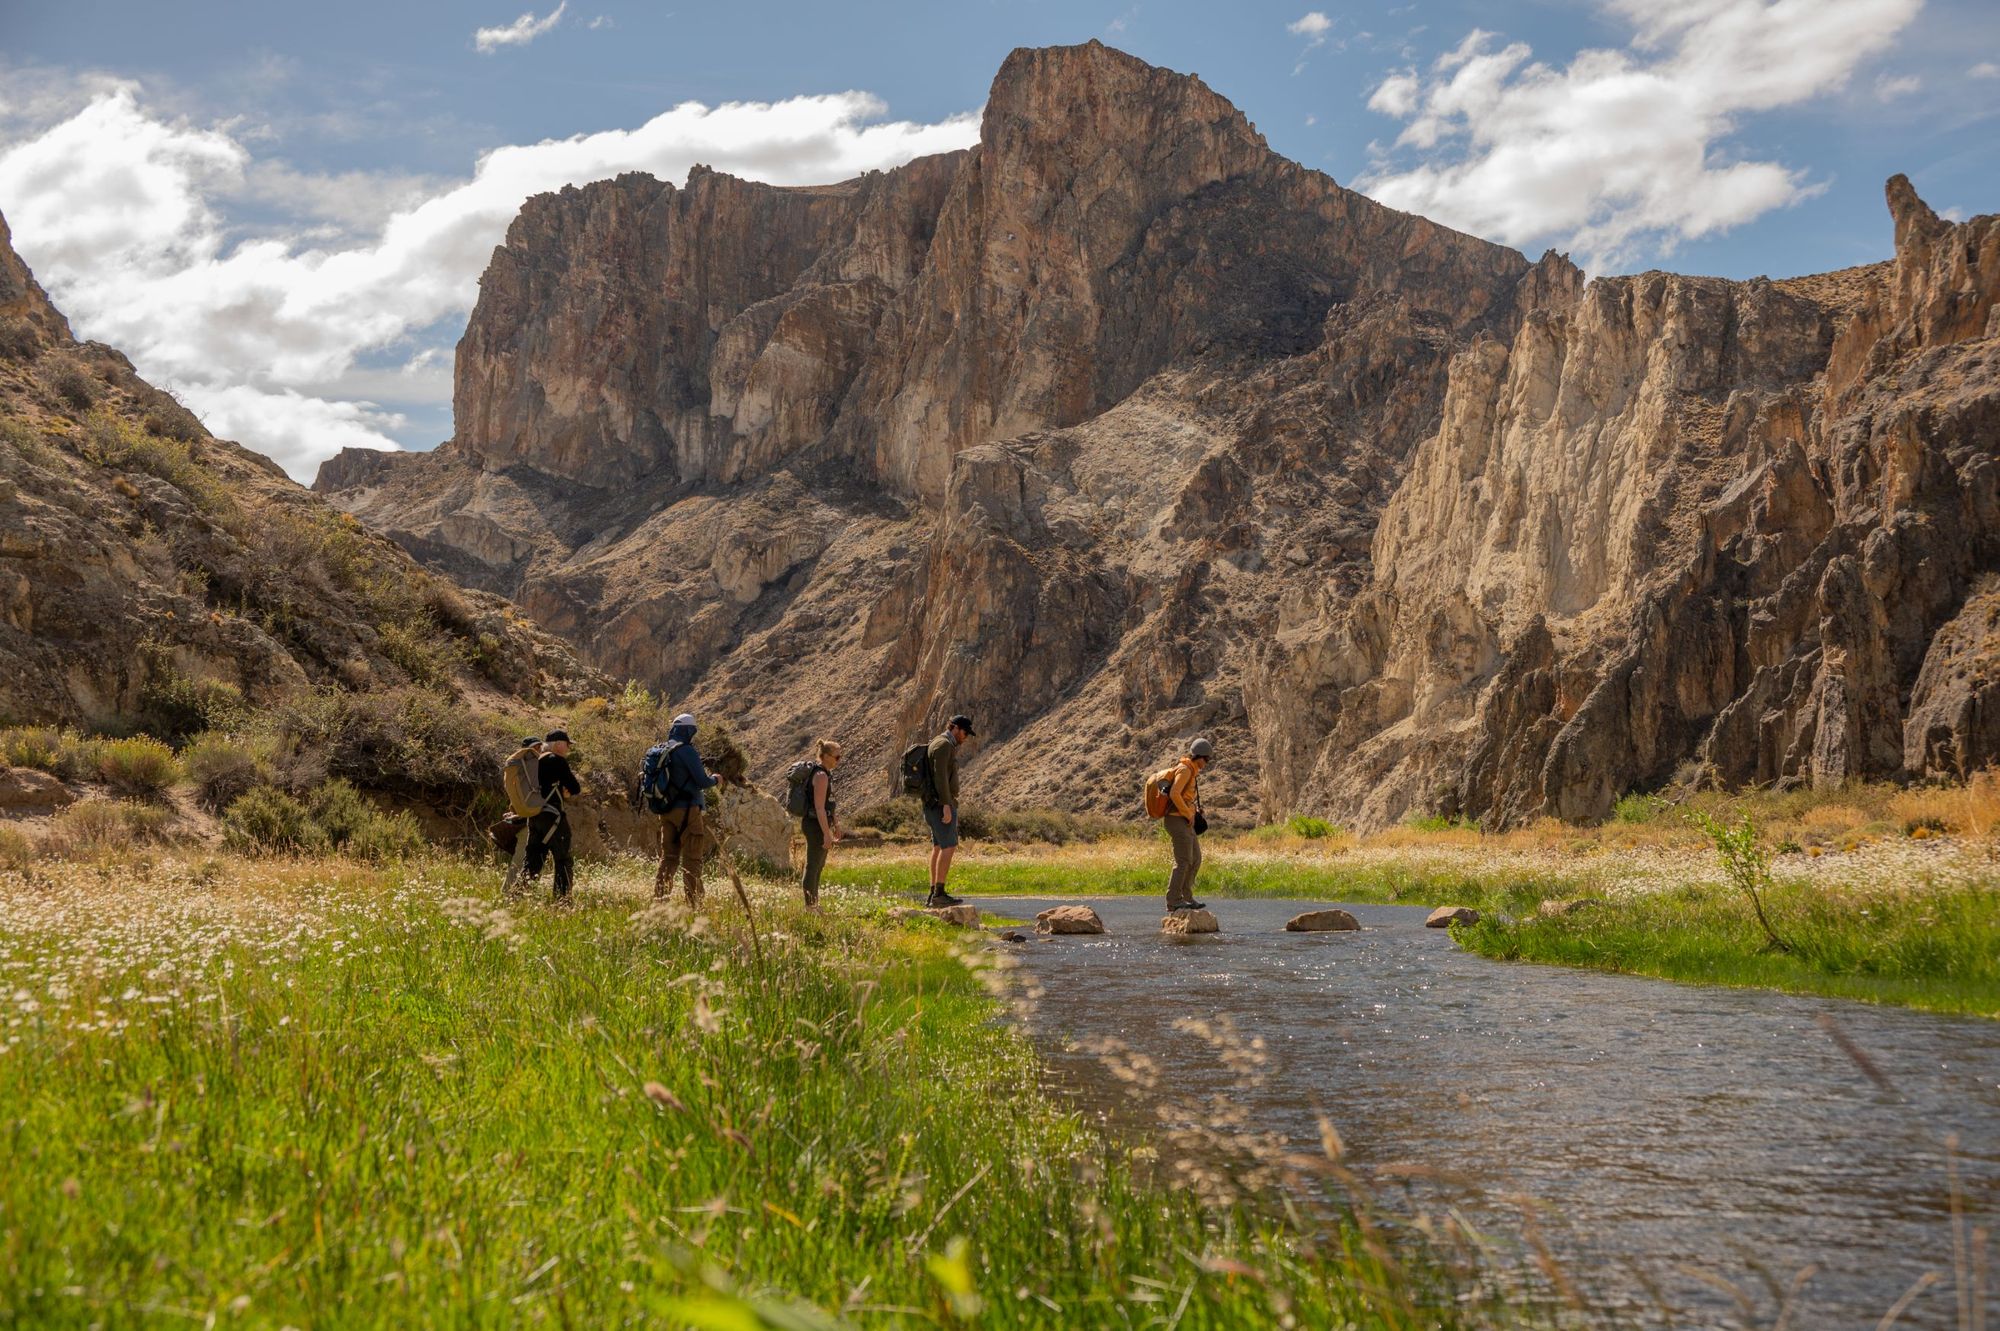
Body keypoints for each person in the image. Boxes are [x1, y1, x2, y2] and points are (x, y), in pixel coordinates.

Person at [654, 712, 719, 905]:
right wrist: (716, 779)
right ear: (689, 731)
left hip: (666, 812)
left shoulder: (662, 749)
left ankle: (659, 901)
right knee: (692, 858)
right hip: (688, 812)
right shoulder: (687, 751)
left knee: (669, 857)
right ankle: (694, 903)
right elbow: (702, 781)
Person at [923, 714, 975, 907]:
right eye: (964, 733)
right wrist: (946, 804)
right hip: (940, 804)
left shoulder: (939, 743)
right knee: (949, 846)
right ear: (955, 728)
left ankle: (933, 893)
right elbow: (940, 778)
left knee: (938, 847)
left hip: (933, 803)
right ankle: (939, 893)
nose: (965, 737)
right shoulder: (944, 745)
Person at [527, 729, 581, 902]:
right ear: (558, 744)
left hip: (535, 815)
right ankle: (562, 901)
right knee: (563, 859)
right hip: (553, 817)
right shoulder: (557, 760)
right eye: (567, 745)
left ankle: (518, 895)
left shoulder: (536, 760)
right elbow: (575, 787)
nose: (568, 749)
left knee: (533, 859)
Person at [1162, 737, 1213, 912]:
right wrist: (1186, 813)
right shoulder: (1184, 770)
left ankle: (1186, 897)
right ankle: (1173, 900)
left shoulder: (1191, 771)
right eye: (1206, 759)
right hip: (1177, 820)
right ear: (1199, 756)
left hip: (1186, 821)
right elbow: (1175, 794)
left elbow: (1183, 797)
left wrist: (1194, 812)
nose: (1207, 763)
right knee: (1183, 861)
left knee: (1196, 859)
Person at [799, 738, 843, 908]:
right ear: (825, 756)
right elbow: (819, 808)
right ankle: (810, 906)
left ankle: (814, 904)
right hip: (815, 825)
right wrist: (826, 833)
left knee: (818, 865)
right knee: (813, 865)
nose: (838, 760)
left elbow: (828, 805)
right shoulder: (820, 776)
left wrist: (836, 825)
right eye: (836, 757)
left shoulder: (825, 774)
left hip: (821, 824)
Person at [500, 735, 546, 895]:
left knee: (525, 862)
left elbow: (518, 798)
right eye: (537, 748)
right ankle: (509, 894)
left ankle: (517, 894)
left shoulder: (519, 768)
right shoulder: (533, 768)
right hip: (529, 823)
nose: (539, 751)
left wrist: (515, 813)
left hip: (523, 821)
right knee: (522, 862)